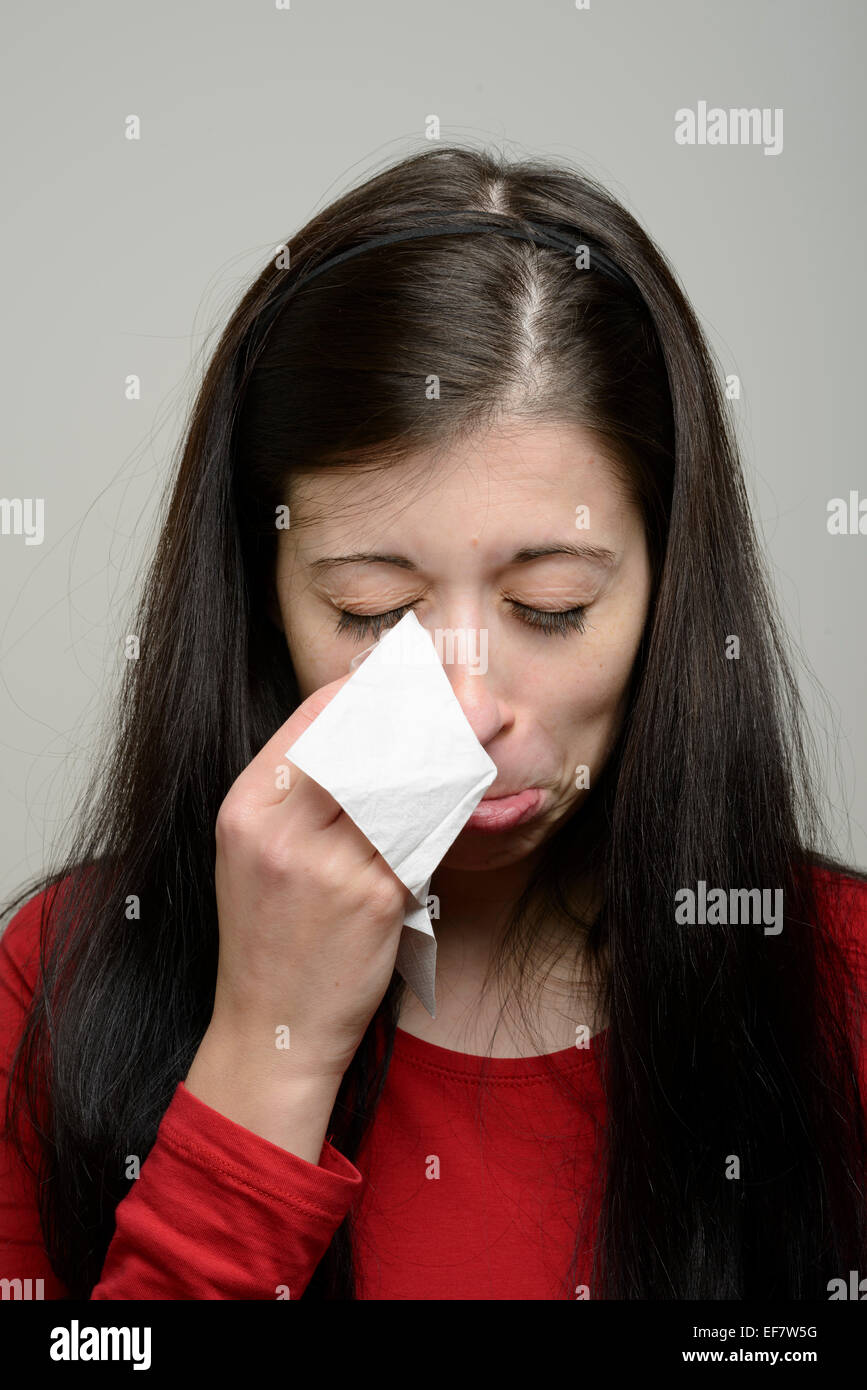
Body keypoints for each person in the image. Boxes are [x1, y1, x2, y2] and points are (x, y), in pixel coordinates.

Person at [1, 145, 865, 1302]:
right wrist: (272, 1053)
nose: (469, 710)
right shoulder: (56, 984)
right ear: (263, 593)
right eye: (374, 611)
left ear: (669, 582)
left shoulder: (841, 985)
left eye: (551, 607)